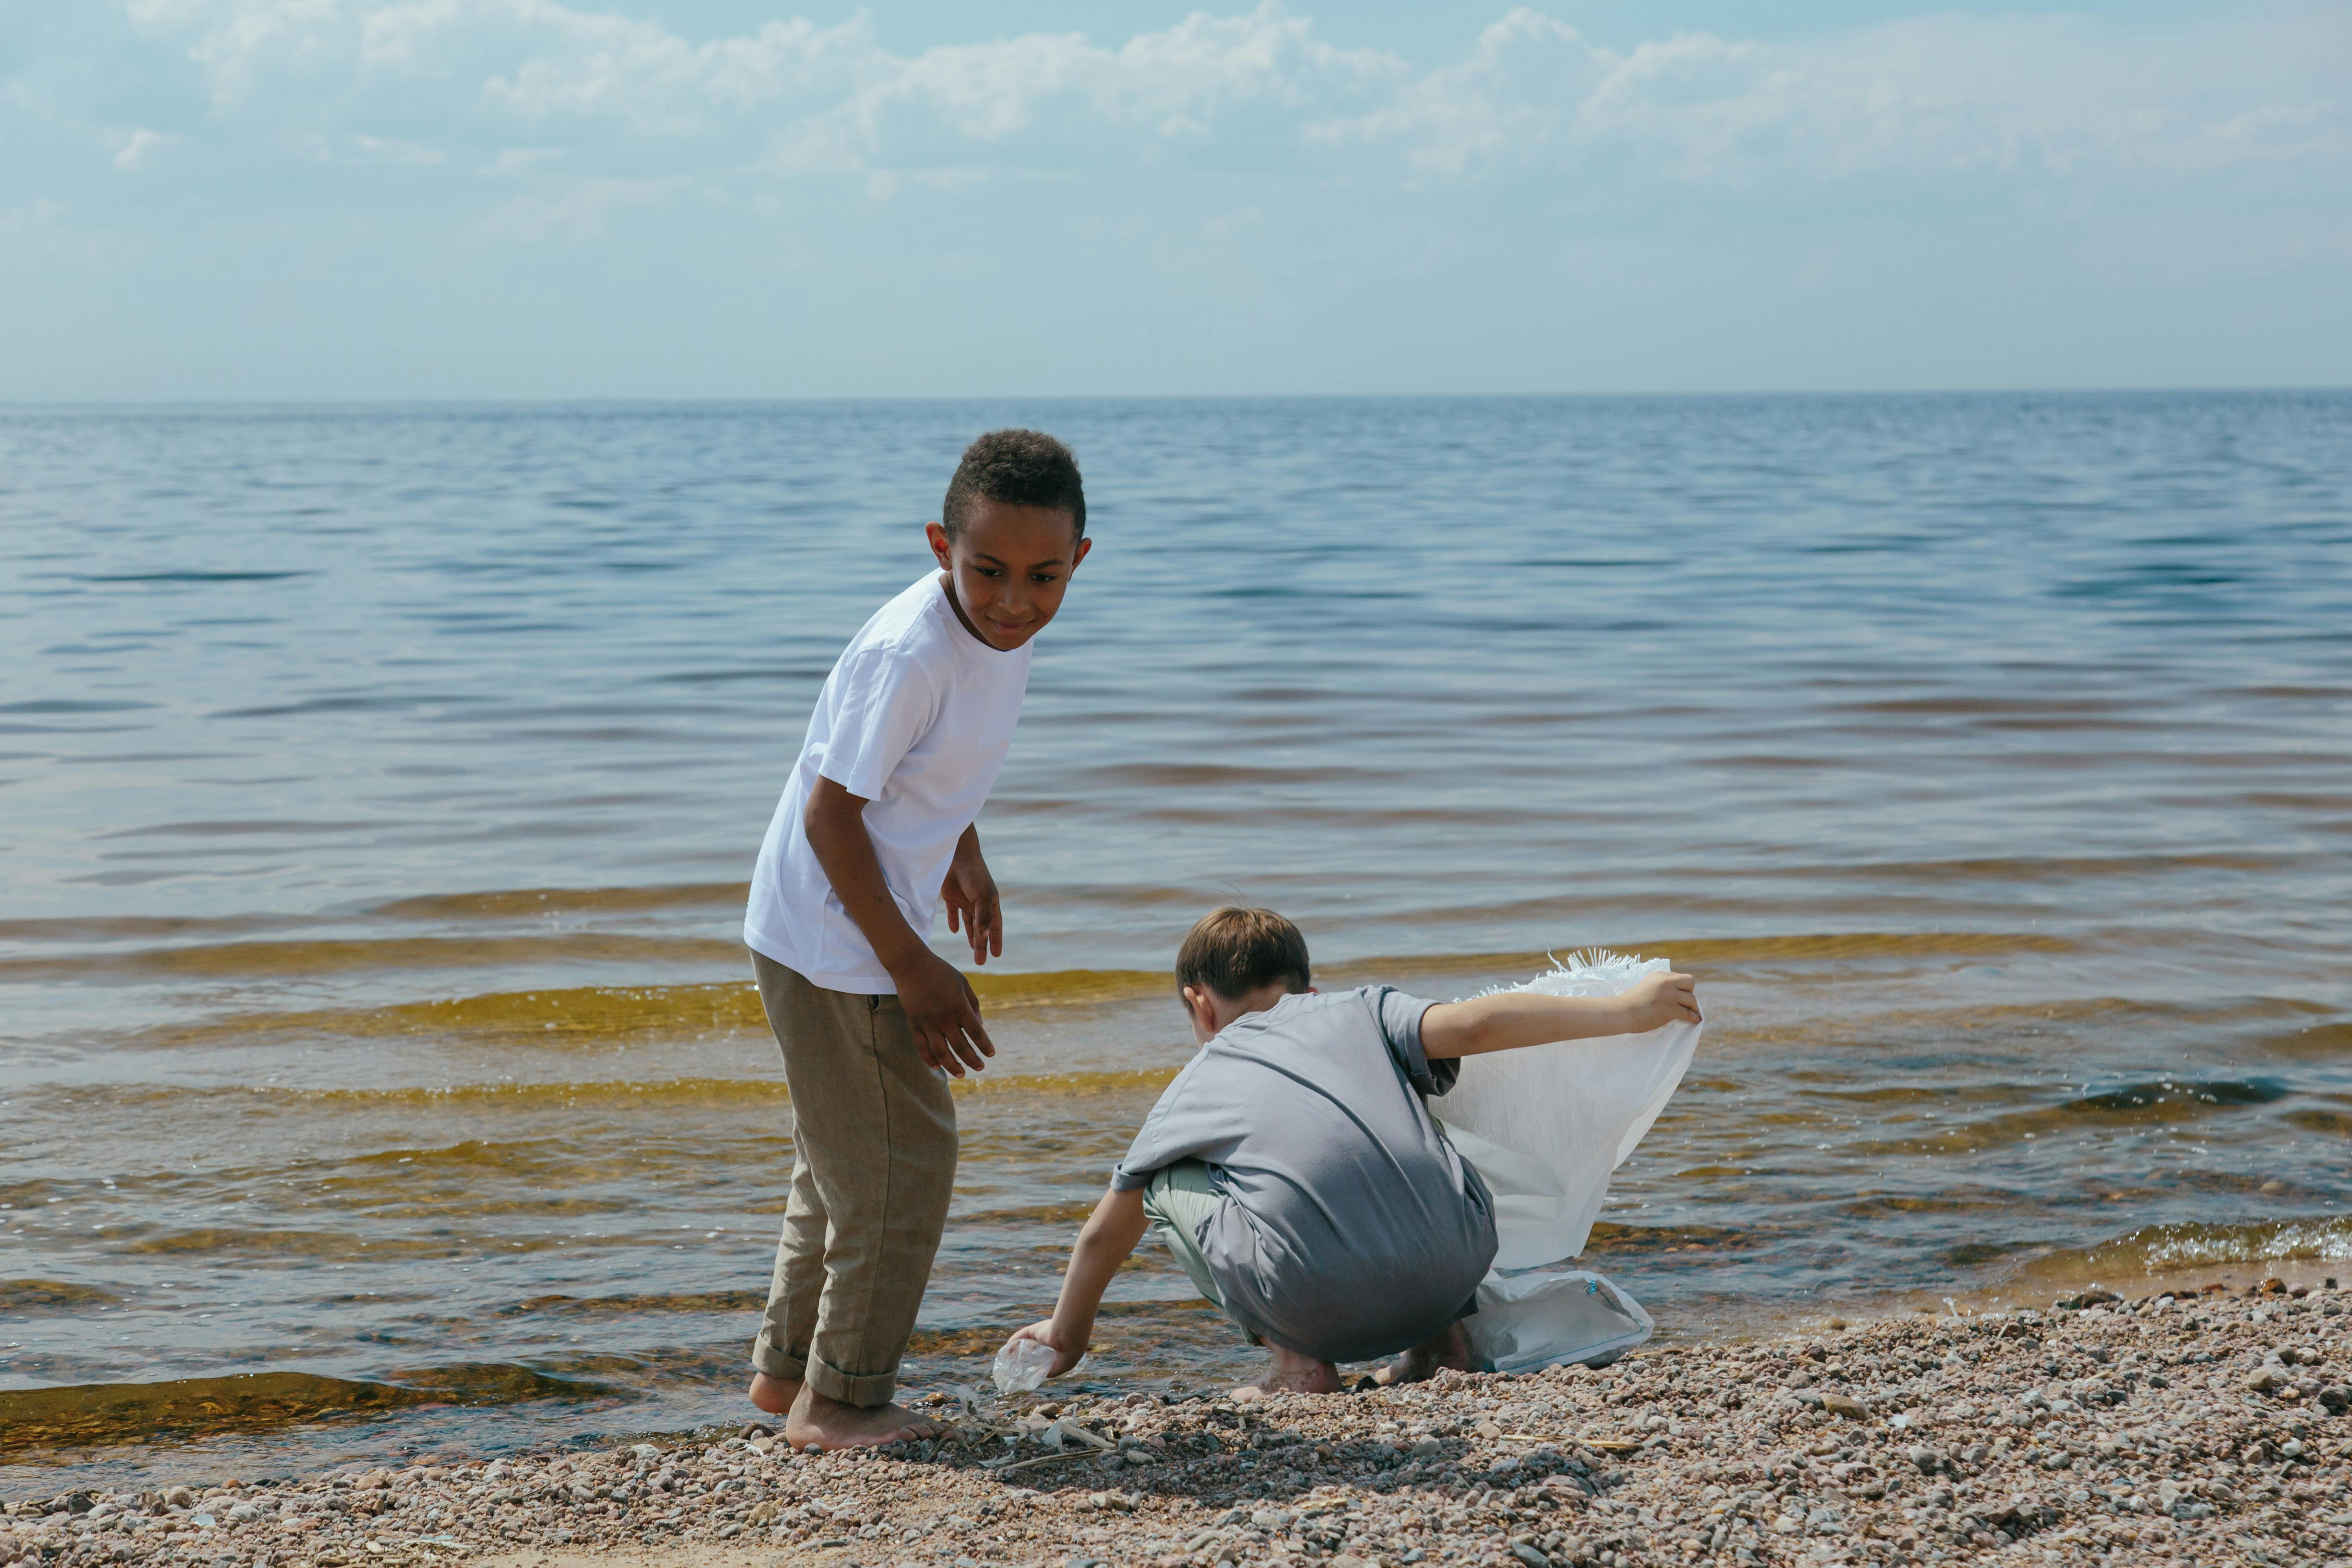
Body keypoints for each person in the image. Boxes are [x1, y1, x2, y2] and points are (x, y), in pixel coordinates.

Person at [742, 429, 1091, 1448]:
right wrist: (915, 968)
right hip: (833, 939)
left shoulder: (995, 636)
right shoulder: (912, 651)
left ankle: (786, 1380)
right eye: (987, 571)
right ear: (943, 545)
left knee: (842, 1166)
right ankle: (841, 1400)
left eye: (1042, 574)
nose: (1014, 599)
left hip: (841, 922)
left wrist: (960, 848)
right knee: (905, 1163)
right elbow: (830, 816)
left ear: (1080, 559)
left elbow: (919, 770)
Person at [1003, 907, 1700, 1395]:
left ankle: (1299, 1365)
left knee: (1160, 1180)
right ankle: (1444, 1345)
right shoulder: (1362, 1008)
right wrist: (1629, 1010)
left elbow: (1105, 1232)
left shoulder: (1199, 1079)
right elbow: (1480, 1023)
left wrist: (1068, 1336)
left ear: (1200, 1006)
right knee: (1415, 1114)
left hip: (1317, 1306)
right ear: (1309, 987)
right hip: (1454, 1263)